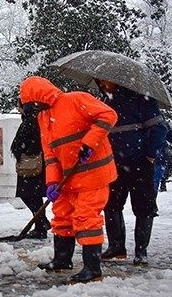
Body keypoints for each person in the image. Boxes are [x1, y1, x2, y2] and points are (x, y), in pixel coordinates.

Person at [20, 76, 118, 283]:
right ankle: (62, 259)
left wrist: (89, 143)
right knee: (61, 215)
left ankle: (93, 269)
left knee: (86, 217)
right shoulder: (43, 117)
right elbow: (50, 154)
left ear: (41, 95)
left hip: (94, 174)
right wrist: (52, 182)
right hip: (68, 177)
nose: (34, 108)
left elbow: (108, 115)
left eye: (34, 103)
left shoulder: (76, 99)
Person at [97, 79, 168, 266]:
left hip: (140, 163)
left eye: (104, 81)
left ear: (115, 80)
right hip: (114, 164)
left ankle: (141, 251)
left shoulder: (142, 100)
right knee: (111, 204)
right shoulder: (105, 103)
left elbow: (160, 129)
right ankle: (116, 247)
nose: (102, 85)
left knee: (144, 208)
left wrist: (150, 156)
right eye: (99, 82)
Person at [11, 101, 49, 239]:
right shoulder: (37, 120)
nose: (18, 109)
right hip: (37, 164)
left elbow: (23, 143)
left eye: (19, 106)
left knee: (28, 194)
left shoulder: (29, 122)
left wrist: (20, 150)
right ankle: (40, 225)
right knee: (35, 196)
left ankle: (41, 223)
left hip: (31, 165)